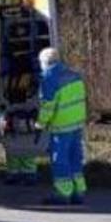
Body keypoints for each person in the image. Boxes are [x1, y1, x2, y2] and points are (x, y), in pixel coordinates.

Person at [37, 47, 87, 205]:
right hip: (77, 123)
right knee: (75, 159)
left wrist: (40, 123)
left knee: (60, 160)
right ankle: (78, 192)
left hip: (61, 125)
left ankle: (63, 193)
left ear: (44, 62)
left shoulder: (49, 77)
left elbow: (48, 106)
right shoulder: (74, 74)